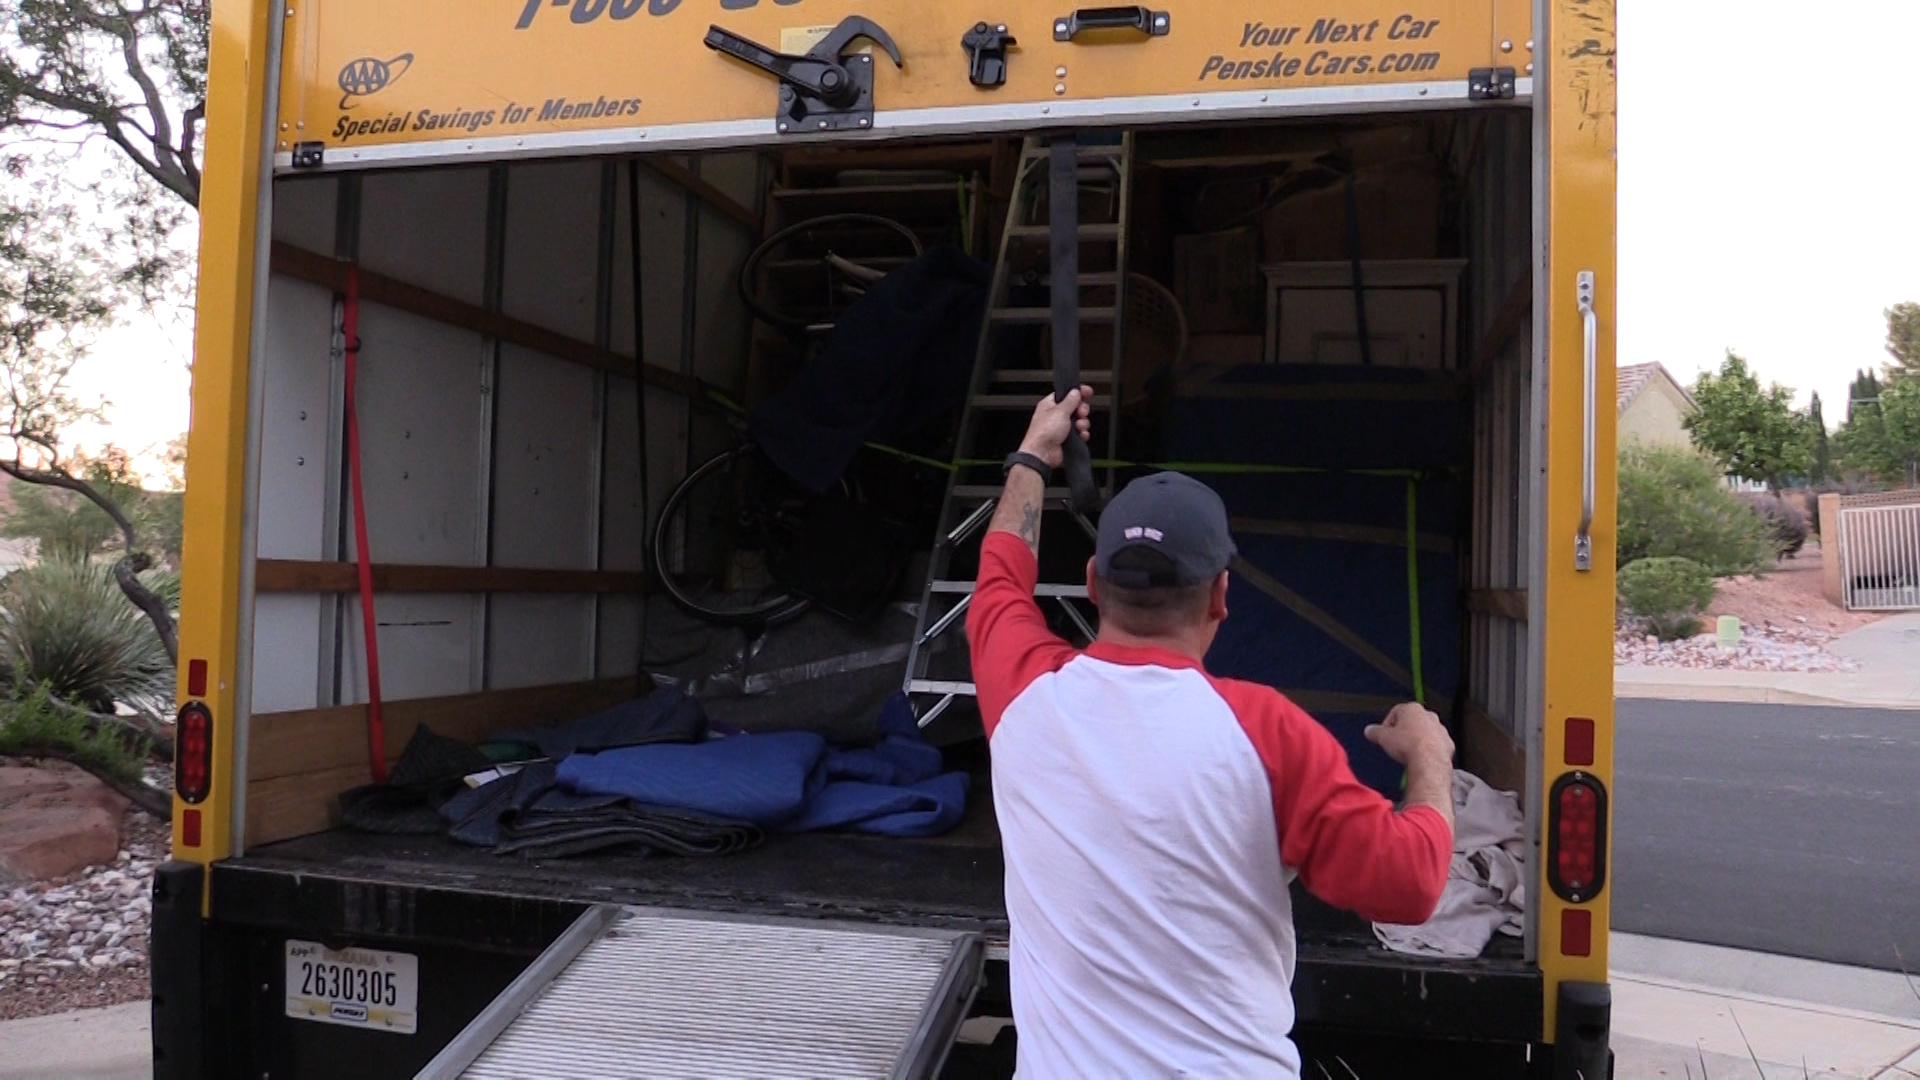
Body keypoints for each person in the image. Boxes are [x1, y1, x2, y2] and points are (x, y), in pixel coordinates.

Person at [967, 387, 1457, 1078]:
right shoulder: (1270, 736)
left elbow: (1000, 580)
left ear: (1091, 585)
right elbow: (1411, 885)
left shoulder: (1022, 695)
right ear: (1223, 597)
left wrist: (1033, 455)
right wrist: (1430, 759)